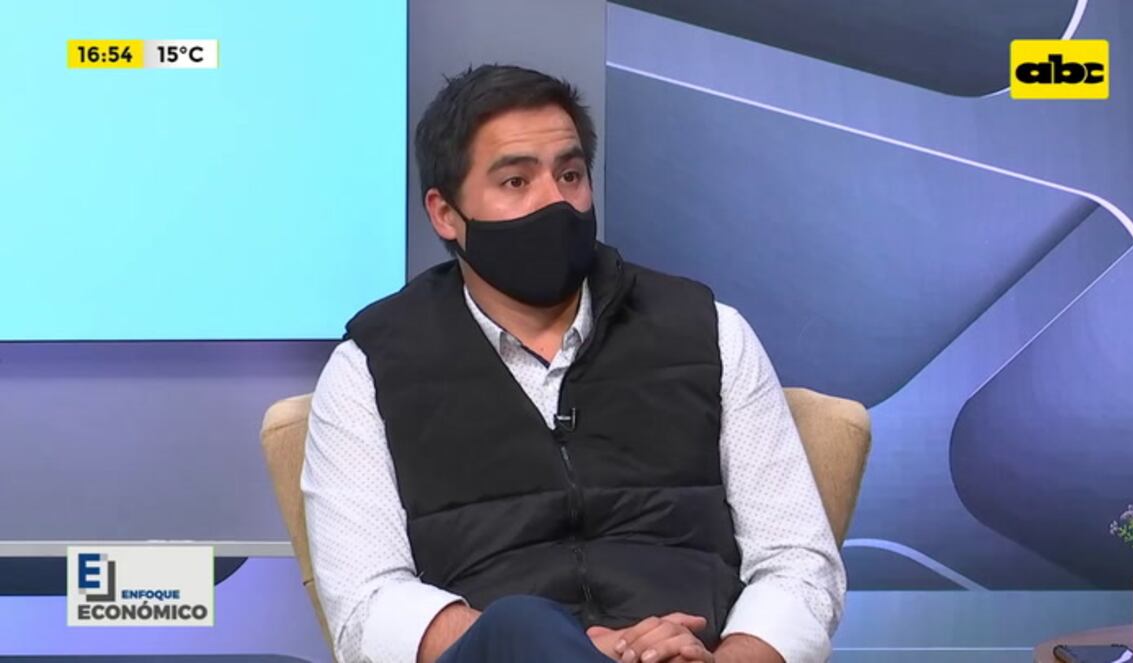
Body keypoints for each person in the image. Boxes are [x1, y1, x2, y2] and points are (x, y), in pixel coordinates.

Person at [301, 64, 845, 663]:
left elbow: (796, 563)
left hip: (693, 653)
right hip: (503, 655)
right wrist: (562, 648)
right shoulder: (374, 366)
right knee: (520, 625)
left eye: (570, 175)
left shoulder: (708, 332)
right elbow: (368, 603)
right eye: (516, 181)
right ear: (445, 213)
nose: (555, 202)